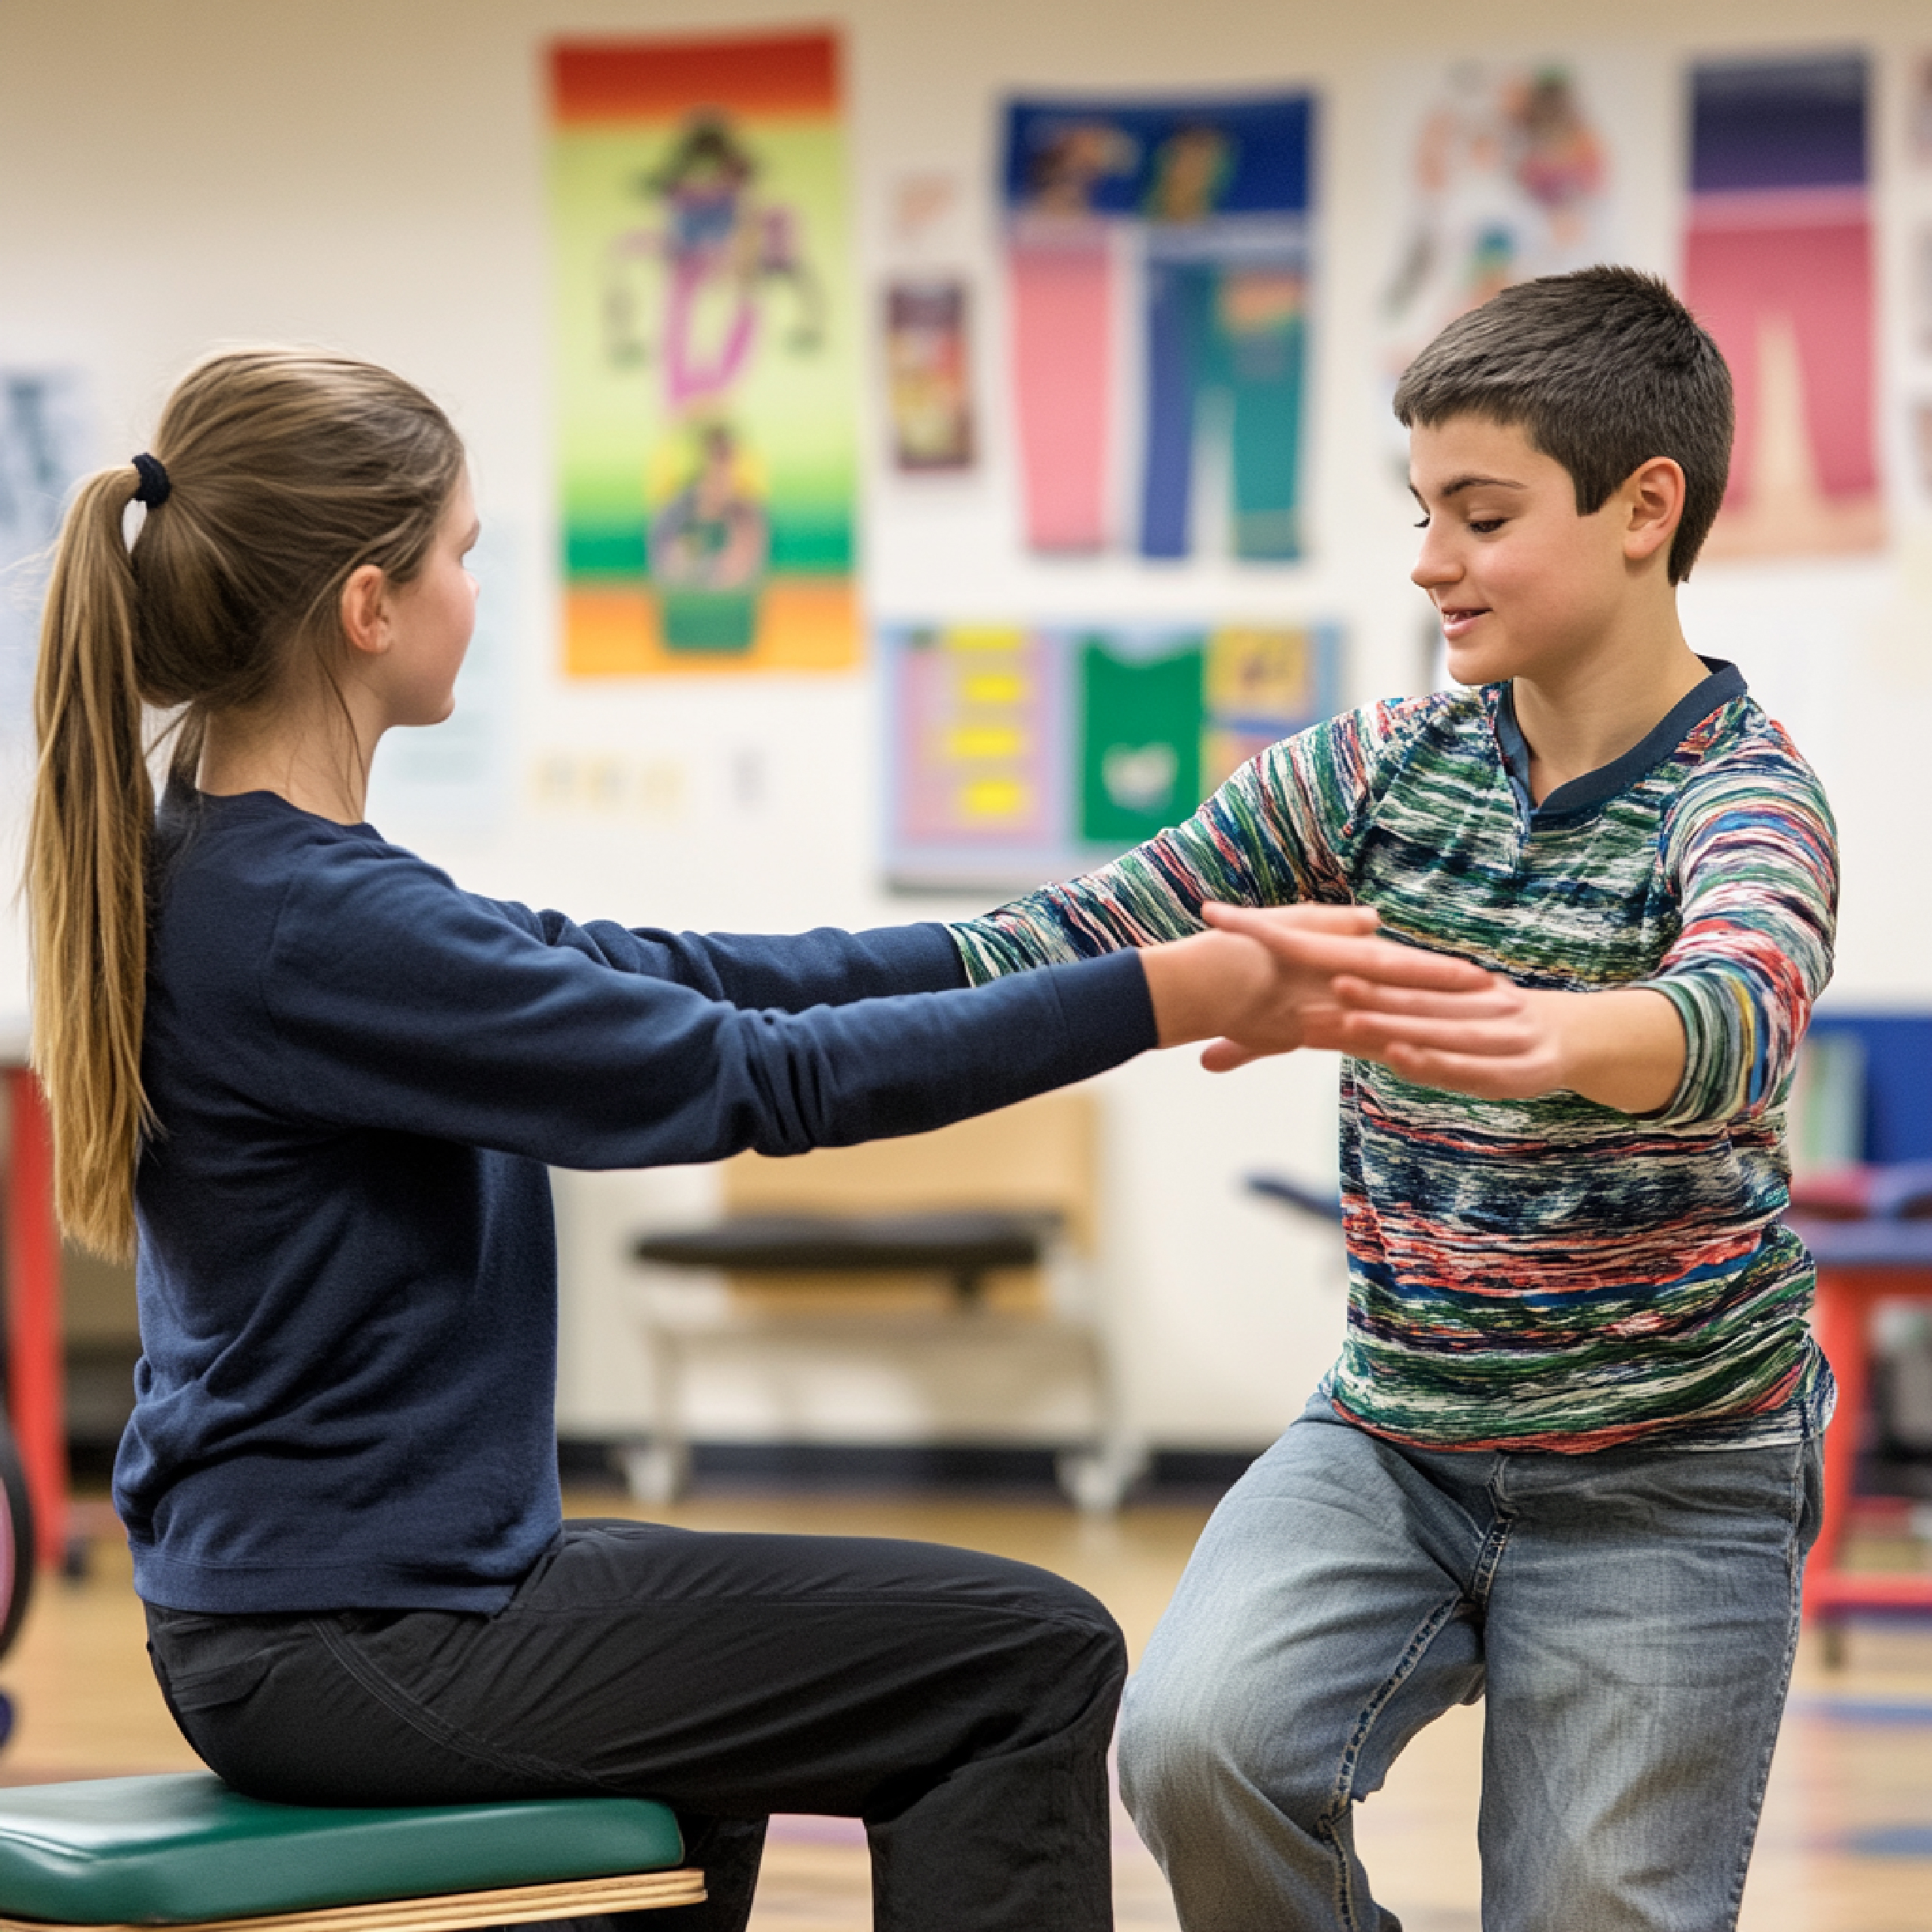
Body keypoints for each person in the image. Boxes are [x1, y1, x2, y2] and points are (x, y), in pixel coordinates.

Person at [26, 346, 1474, 1932]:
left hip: (325, 1606)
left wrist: (1022, 950)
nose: (474, 592)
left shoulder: (260, 878)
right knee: (1028, 1656)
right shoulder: (312, 922)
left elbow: (690, 972)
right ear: (370, 606)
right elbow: (759, 1078)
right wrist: (1160, 995)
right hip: (350, 1635)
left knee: (744, 1693)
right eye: (463, 555)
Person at [948, 266, 1838, 1931]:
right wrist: (750, 1004)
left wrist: (1554, 1033)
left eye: (1481, 515)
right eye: (1422, 511)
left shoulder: (1744, 793)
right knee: (1195, 1746)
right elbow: (1076, 927)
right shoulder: (1373, 767)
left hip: (1670, 1469)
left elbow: (1738, 1009)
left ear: (1644, 509)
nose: (1430, 559)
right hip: (1393, 1437)